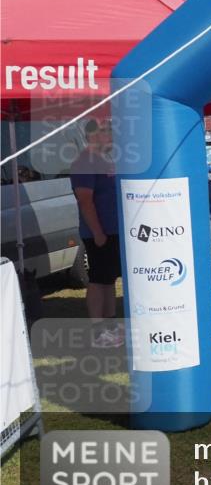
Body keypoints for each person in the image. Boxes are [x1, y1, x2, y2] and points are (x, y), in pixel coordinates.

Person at [70, 119, 123, 347]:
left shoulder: (104, 160)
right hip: (98, 233)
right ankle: (98, 331)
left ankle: (110, 325)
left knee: (109, 279)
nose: (110, 134)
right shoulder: (85, 162)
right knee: (98, 280)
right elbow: (85, 200)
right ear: (91, 134)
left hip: (112, 230)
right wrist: (98, 232)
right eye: (104, 130)